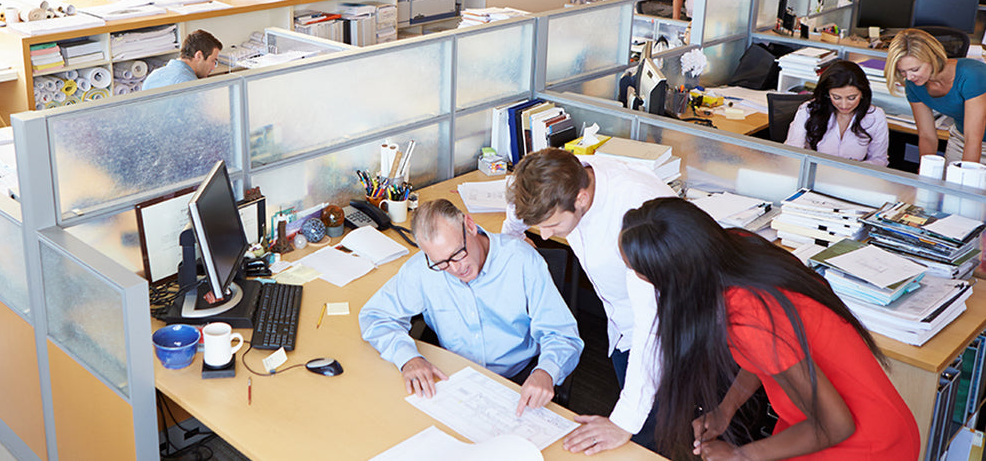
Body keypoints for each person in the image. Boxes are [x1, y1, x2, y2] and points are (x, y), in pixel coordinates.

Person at [619, 197, 919, 460]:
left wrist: (742, 455)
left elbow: (837, 425)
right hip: (819, 420)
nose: (634, 277)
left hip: (861, 444)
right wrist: (727, 407)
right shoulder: (736, 248)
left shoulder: (746, 316)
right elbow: (770, 356)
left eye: (640, 272)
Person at [503, 147, 676, 454]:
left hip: (669, 327)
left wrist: (624, 422)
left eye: (553, 226)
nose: (544, 236)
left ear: (581, 199)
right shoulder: (558, 181)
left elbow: (653, 330)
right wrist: (515, 236)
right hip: (621, 322)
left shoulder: (636, 215)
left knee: (649, 437)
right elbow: (520, 210)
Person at [358, 198, 583, 416]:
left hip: (516, 381)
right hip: (452, 380)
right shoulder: (422, 269)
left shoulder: (522, 261)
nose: (455, 269)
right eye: (441, 263)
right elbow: (376, 316)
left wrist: (545, 373)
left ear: (470, 225)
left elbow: (563, 335)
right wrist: (408, 358)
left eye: (458, 253)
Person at [884, 28, 986, 164]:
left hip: (973, 140)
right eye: (903, 71)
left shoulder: (972, 75)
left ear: (932, 58)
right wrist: (925, 171)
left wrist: (965, 175)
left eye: (915, 69)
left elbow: (973, 139)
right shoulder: (913, 84)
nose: (909, 77)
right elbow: (927, 136)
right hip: (962, 138)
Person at [784, 60, 889, 165]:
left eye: (851, 98)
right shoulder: (808, 111)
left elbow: (880, 159)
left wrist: (857, 167)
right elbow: (792, 152)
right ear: (827, 93)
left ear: (862, 93)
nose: (844, 105)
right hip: (815, 174)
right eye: (836, 97)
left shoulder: (876, 116)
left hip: (854, 177)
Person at [142, 30, 222, 90]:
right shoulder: (189, 84)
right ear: (199, 56)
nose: (213, 67)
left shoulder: (153, 76)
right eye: (213, 61)